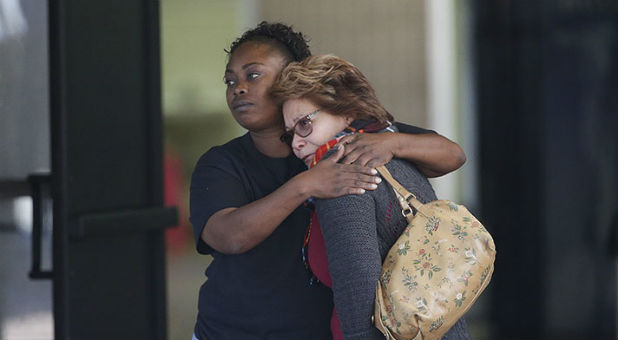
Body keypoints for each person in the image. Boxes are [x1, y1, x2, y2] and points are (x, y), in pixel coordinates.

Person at [189, 22, 466, 340]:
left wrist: (392, 142)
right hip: (234, 332)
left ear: (292, 76)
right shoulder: (222, 162)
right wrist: (306, 184)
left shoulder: (345, 137)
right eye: (230, 80)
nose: (237, 88)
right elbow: (227, 237)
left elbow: (452, 155)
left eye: (252, 74)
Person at [270, 54, 470, 340]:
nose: (296, 143)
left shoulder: (343, 175)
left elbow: (358, 294)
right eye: (289, 135)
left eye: (304, 124)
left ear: (346, 112)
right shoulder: (394, 153)